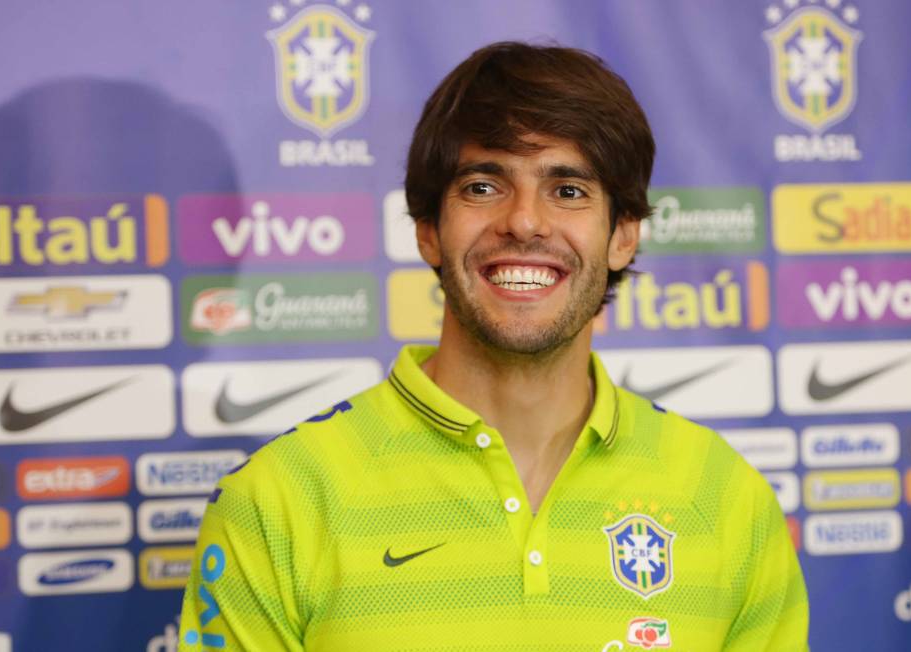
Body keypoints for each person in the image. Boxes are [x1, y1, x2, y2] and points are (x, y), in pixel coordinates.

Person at [178, 41, 809, 651]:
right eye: (483, 186)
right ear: (428, 230)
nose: (525, 221)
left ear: (623, 235)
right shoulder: (278, 501)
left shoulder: (728, 500)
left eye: (568, 190)